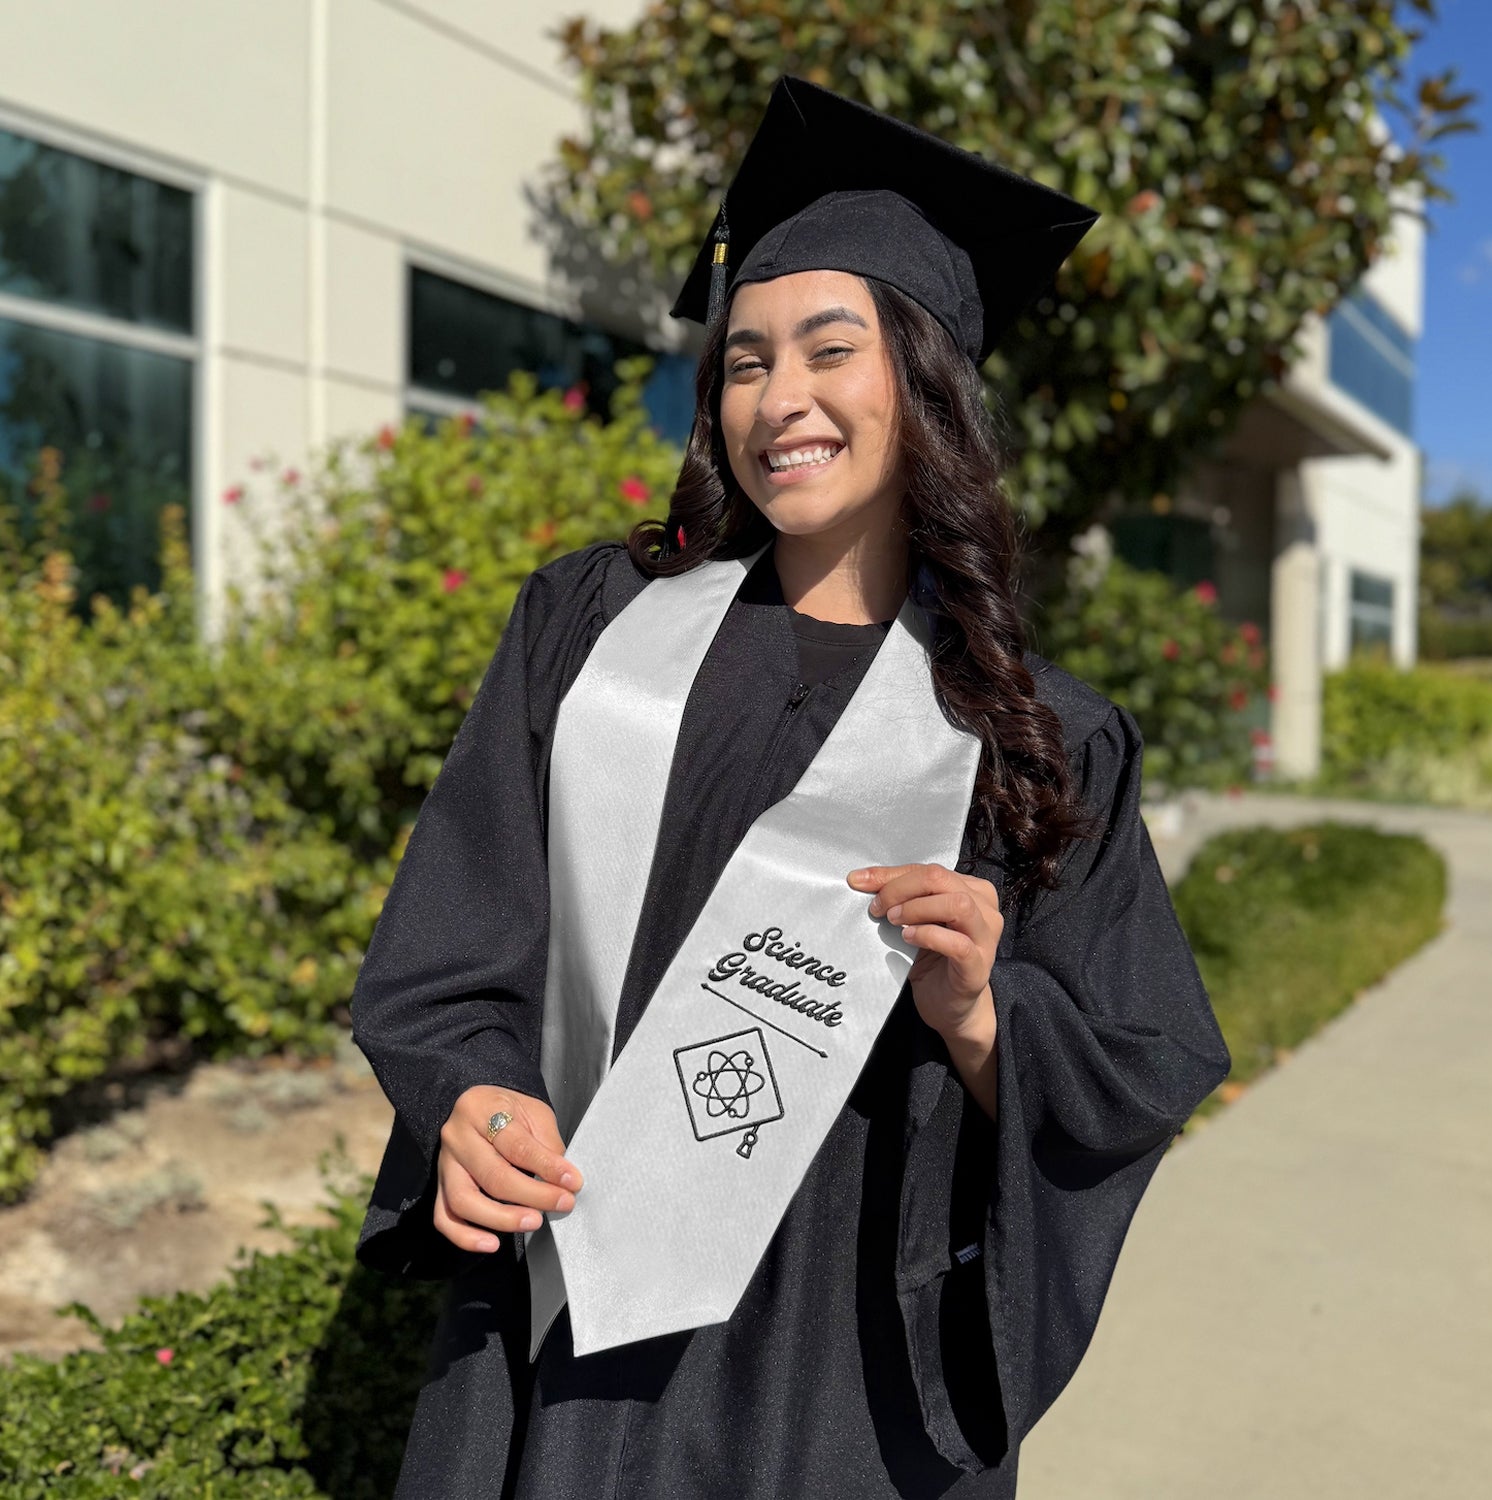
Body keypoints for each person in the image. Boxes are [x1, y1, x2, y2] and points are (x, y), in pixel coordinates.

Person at [350, 77, 1231, 1499]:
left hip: (841, 1378)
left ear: (926, 381)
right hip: (571, 1311)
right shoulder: (593, 635)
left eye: (832, 349)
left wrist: (983, 1017)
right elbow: (460, 936)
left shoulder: (1037, 732)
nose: (782, 399)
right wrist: (469, 1097)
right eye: (746, 359)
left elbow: (1137, 1058)